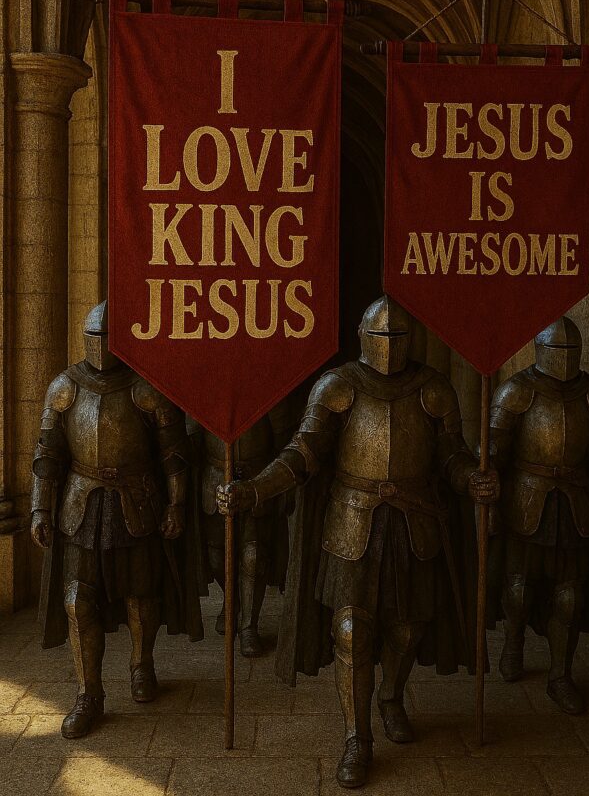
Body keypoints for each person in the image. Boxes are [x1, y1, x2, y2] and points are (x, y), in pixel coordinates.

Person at [218, 295, 498, 788]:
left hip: (415, 523)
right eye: (381, 336)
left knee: (407, 629)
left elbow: (451, 455)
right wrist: (254, 489)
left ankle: (390, 695)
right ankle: (356, 736)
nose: (389, 345)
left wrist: (470, 479)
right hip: (351, 522)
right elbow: (302, 453)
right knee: (351, 631)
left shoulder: (433, 389)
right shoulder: (338, 386)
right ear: (364, 337)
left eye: (398, 337)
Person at [30, 300, 200, 738]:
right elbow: (47, 455)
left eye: (109, 338)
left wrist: (176, 503)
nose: (102, 346)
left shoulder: (146, 386)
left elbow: (174, 455)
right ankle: (89, 693)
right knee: (77, 600)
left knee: (140, 595)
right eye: (96, 337)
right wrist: (38, 507)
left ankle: (142, 664)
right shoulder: (64, 387)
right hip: (81, 504)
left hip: (137, 501)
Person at [489, 316, 589, 714]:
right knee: (518, 588)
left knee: (570, 596)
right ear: (540, 350)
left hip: (577, 504)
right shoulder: (516, 391)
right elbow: (496, 455)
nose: (563, 358)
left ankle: (560, 674)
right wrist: (485, 485)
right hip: (526, 500)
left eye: (569, 351)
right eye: (557, 350)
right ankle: (514, 640)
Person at [187, 412, 290, 655]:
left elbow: (284, 439)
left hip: (258, 479)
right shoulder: (208, 385)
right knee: (215, 556)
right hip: (215, 479)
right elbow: (193, 432)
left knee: (254, 558)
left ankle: (248, 626)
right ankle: (232, 600)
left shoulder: (267, 388)